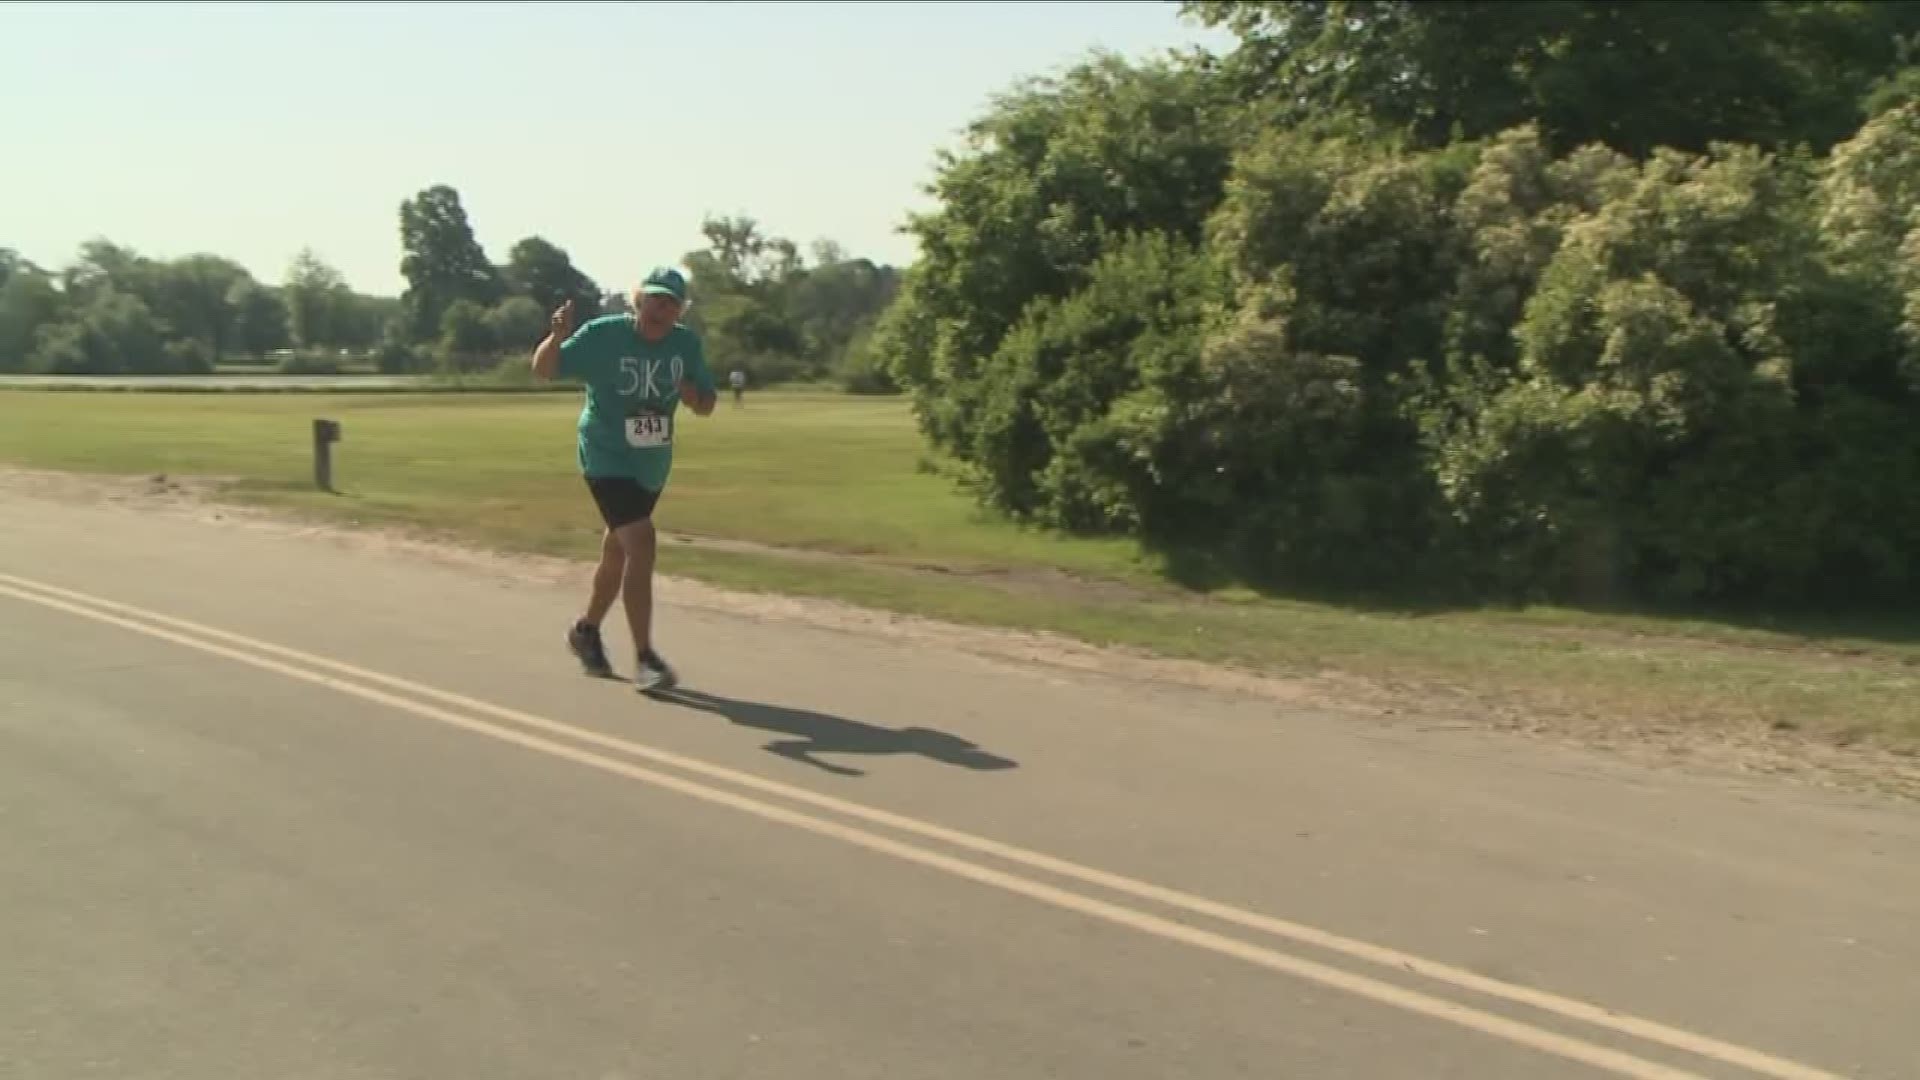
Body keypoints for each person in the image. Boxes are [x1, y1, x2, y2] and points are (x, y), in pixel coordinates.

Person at [530, 265, 717, 692]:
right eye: (655, 298)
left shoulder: (686, 345)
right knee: (642, 542)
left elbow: (707, 404)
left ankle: (586, 631)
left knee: (618, 553)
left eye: (671, 302)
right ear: (639, 301)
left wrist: (694, 397)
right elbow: (545, 369)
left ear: (679, 310)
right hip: (605, 454)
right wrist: (557, 336)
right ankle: (646, 658)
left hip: (650, 464)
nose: (662, 308)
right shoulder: (604, 335)